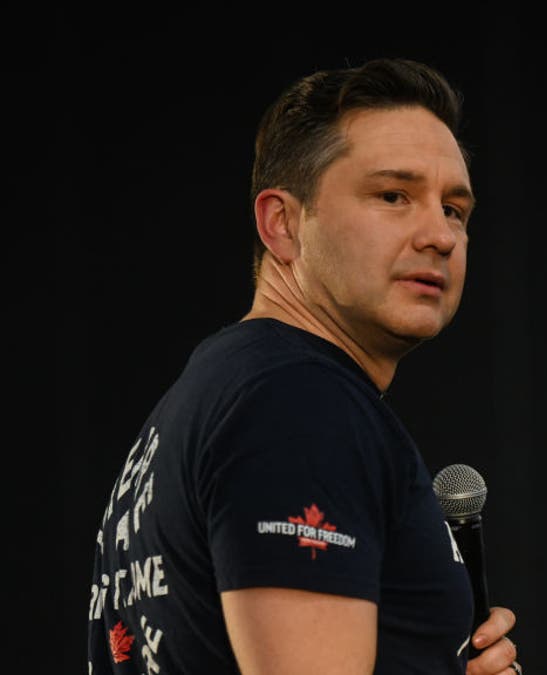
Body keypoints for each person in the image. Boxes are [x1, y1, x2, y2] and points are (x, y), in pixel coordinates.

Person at [85, 57, 522, 675]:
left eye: (453, 208)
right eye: (393, 195)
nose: (440, 236)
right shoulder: (296, 403)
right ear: (282, 224)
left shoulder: (234, 388)